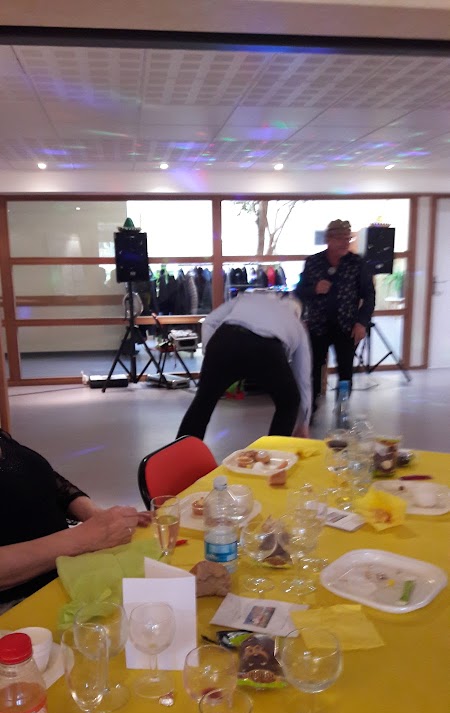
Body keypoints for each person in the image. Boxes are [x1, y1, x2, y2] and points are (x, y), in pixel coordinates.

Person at [0, 428, 152, 610]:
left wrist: (94, 514)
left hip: (67, 575)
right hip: (22, 605)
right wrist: (85, 538)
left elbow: (37, 476)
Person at [177, 291, 311, 441]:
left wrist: (211, 354)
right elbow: (303, 378)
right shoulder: (298, 325)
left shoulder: (249, 297)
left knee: (203, 402)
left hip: (225, 338)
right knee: (289, 401)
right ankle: (273, 452)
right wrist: (304, 424)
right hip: (266, 348)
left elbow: (210, 321)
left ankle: (181, 452)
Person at [295, 219, 375, 413]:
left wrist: (362, 323)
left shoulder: (357, 263)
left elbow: (369, 295)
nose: (345, 242)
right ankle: (309, 411)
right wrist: (314, 289)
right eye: (340, 238)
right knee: (312, 370)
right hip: (317, 327)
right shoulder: (313, 262)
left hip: (347, 326)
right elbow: (299, 291)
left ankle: (342, 410)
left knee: (345, 372)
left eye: (348, 238)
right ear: (328, 239)